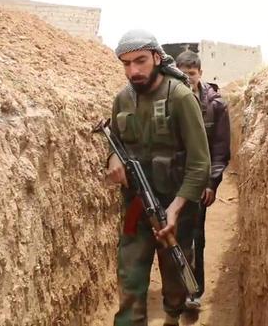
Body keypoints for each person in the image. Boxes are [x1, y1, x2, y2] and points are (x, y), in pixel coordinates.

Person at [105, 30, 211, 326]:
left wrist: (175, 210)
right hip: (136, 205)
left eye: (140, 61)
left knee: (174, 271)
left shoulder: (179, 96)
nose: (133, 71)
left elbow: (200, 162)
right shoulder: (122, 99)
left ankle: (172, 316)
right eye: (126, 64)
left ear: (156, 57)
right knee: (130, 274)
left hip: (176, 204)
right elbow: (115, 141)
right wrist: (113, 157)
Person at [175, 50, 231, 310]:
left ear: (200, 73)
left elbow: (220, 148)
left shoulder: (216, 104)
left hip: (199, 182)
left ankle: (193, 293)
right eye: (182, 74)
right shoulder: (168, 98)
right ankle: (174, 289)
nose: (187, 79)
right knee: (172, 235)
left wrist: (212, 182)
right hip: (172, 179)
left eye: (192, 74)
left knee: (196, 236)